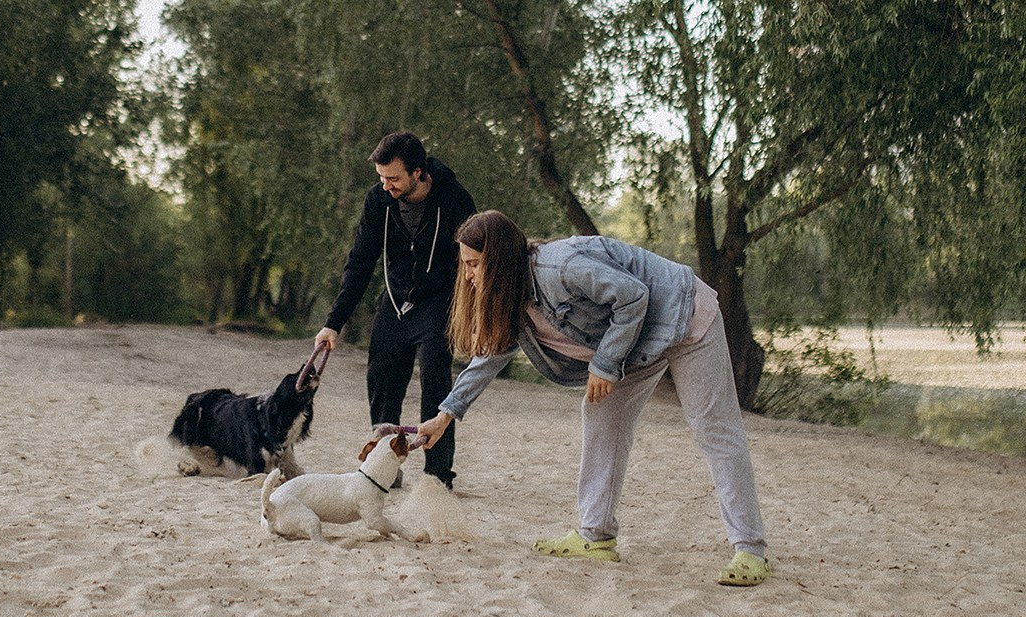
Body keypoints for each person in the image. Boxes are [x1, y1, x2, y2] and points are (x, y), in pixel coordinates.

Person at [415, 210, 771, 586]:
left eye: (474, 264)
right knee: (601, 417)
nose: (467, 276)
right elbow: (490, 356)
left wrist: (603, 364)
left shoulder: (560, 268)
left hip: (683, 316)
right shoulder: (512, 294)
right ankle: (595, 536)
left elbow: (633, 296)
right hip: (635, 343)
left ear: (500, 260)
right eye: (465, 265)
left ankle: (750, 548)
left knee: (714, 430)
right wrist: (444, 416)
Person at [312, 132, 477, 488]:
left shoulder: (456, 199)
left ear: (418, 172)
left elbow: (473, 265)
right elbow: (359, 263)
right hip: (394, 296)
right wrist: (333, 324)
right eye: (381, 177)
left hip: (438, 301)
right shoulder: (377, 201)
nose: (386, 185)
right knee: (382, 374)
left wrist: (474, 319)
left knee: (435, 378)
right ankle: (386, 464)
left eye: (394, 178)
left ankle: (437, 474)